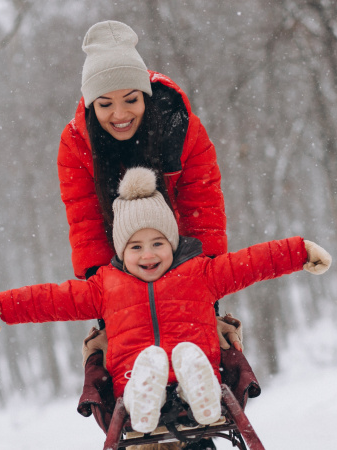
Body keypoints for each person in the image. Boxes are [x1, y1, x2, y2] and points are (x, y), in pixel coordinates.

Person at [0, 167, 332, 435]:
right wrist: (3, 307)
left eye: (158, 243)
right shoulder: (105, 286)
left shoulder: (199, 273)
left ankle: (202, 399)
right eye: (136, 246)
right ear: (121, 251)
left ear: (173, 244)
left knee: (191, 362)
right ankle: (141, 406)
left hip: (196, 370)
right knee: (146, 368)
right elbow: (51, 300)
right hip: (134, 378)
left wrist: (299, 252)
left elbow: (252, 262)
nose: (148, 254)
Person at [59, 20, 242, 366]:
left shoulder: (182, 129)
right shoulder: (76, 145)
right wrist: (107, 317)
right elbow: (86, 229)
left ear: (145, 94)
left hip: (179, 258)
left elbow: (204, 217)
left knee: (196, 339)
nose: (120, 114)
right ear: (90, 106)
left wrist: (208, 304)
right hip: (121, 265)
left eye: (130, 99)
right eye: (104, 104)